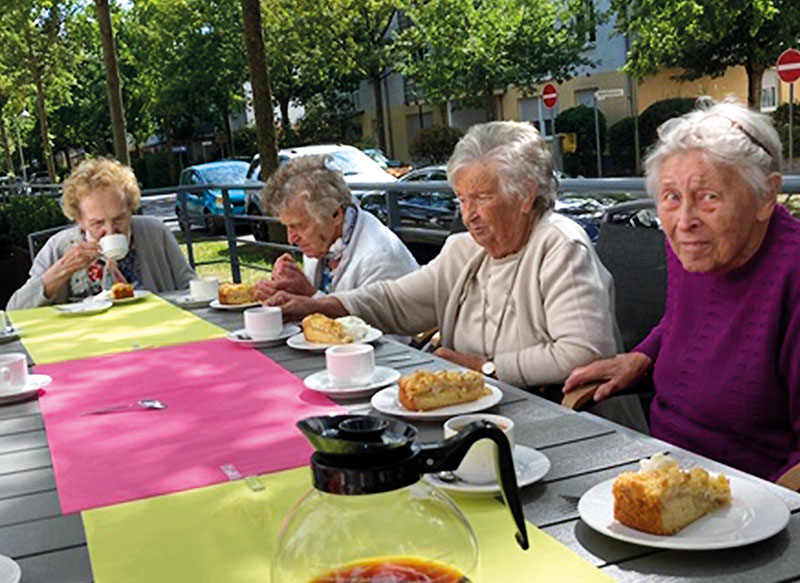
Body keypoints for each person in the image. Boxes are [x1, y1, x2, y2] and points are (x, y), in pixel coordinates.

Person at [269, 121, 618, 389]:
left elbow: (584, 352)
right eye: (462, 200)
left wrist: (485, 368)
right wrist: (314, 306)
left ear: (525, 195)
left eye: (481, 198)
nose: (469, 215)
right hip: (470, 405)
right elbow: (395, 301)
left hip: (557, 416)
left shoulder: (559, 246)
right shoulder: (464, 250)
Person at [564, 99, 800, 482]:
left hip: (753, 501)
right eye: (671, 197)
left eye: (709, 197)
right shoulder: (699, 250)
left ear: (766, 197)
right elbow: (686, 320)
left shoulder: (792, 276)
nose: (685, 221)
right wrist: (642, 356)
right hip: (661, 468)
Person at [7, 158, 194, 309]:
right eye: (97, 223)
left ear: (131, 208)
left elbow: (191, 289)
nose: (110, 231)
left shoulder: (154, 233)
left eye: (119, 218)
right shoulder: (58, 247)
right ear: (79, 219)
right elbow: (15, 310)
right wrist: (63, 269)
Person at [254, 155, 418, 301]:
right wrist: (288, 289)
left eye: (299, 226)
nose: (291, 239)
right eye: (288, 227)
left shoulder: (379, 258)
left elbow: (380, 333)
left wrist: (308, 295)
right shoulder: (326, 240)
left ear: (336, 215)